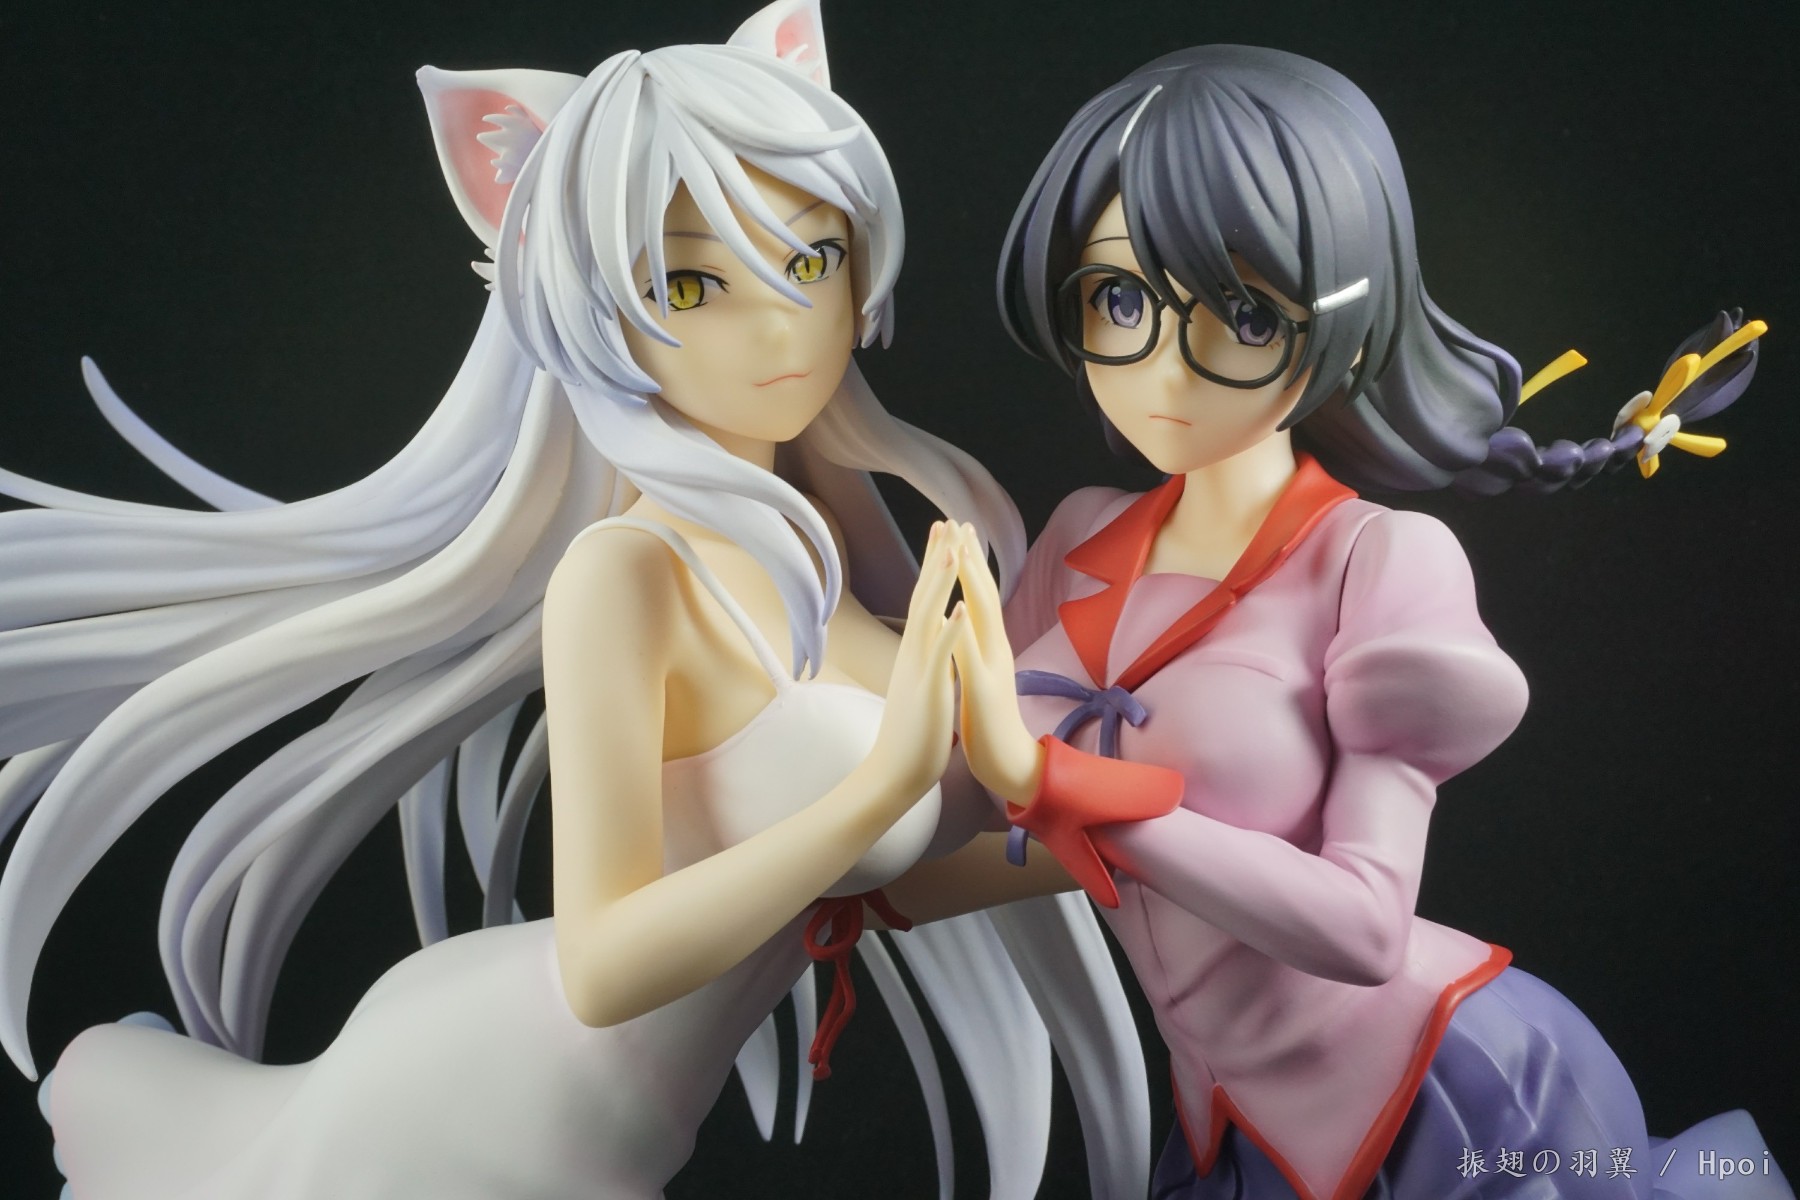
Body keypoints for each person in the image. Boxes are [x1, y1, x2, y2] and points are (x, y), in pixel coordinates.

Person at [0, 4, 1145, 1197]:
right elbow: (602, 966)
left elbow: (890, 881)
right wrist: (879, 788)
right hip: (502, 1104)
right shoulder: (629, 573)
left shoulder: (826, 564)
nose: (778, 321)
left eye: (809, 260)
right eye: (691, 284)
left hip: (605, 1117)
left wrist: (1166, 832)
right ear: (595, 307)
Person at [932, 45, 1787, 1200]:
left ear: (1339, 306)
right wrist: (849, 896)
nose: (1167, 369)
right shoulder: (1080, 541)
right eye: (1121, 300)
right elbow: (1013, 837)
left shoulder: (1374, 560)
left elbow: (1366, 928)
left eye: (1241, 311)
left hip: (1450, 1099)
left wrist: (1057, 782)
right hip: (1225, 1121)